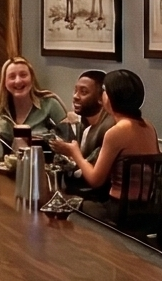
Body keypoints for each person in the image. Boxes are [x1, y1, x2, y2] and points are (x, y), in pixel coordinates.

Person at [54, 67, 156, 198]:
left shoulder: (116, 131)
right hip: (148, 206)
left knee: (64, 202)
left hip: (118, 208)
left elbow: (95, 180)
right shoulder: (148, 126)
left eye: (104, 91)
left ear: (111, 97)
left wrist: (75, 152)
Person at [0, 56, 71, 144]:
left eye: (23, 75)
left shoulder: (50, 105)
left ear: (32, 78)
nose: (18, 81)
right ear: (4, 82)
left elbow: (69, 141)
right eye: (12, 77)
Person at [71, 69, 110, 152]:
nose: (75, 96)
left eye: (84, 92)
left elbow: (93, 163)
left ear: (101, 97)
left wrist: (72, 153)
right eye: (75, 91)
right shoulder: (80, 124)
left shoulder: (108, 129)